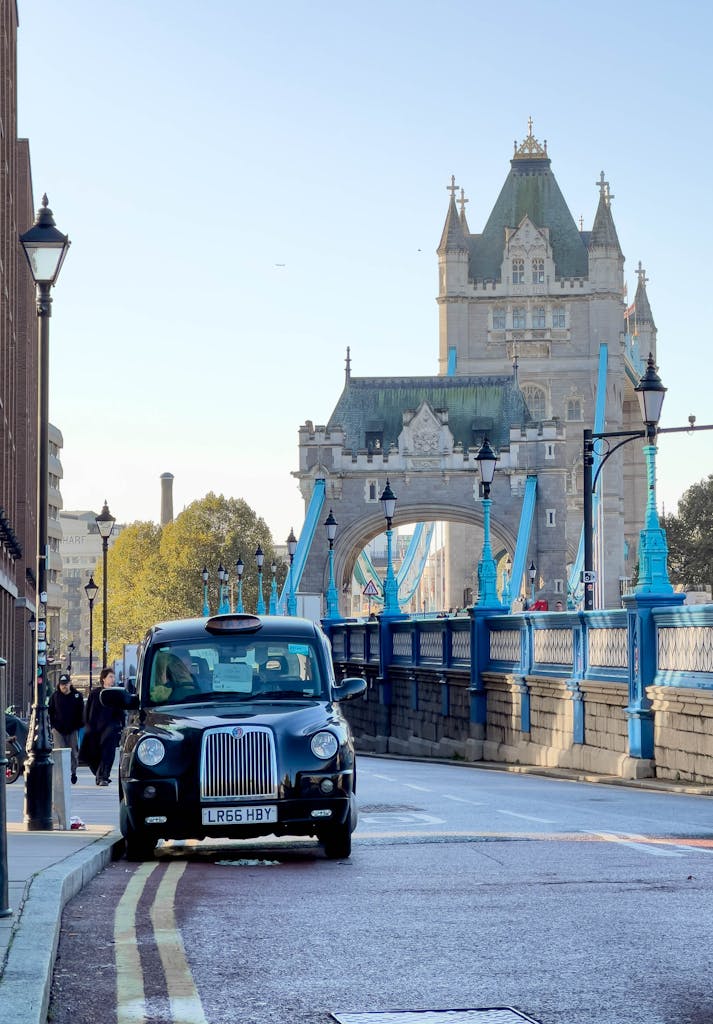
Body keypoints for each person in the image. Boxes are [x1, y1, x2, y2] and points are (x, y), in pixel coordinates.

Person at [82, 667, 123, 786]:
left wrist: (121, 726)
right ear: (103, 679)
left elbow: (120, 711)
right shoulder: (95, 693)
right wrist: (87, 725)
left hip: (111, 728)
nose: (112, 679)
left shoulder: (115, 694)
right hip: (95, 729)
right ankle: (100, 774)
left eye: (113, 677)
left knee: (108, 753)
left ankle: (103, 777)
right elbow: (88, 710)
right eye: (110, 677)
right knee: (95, 754)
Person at [48, 672, 84, 784]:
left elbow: (81, 712)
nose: (64, 686)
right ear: (59, 685)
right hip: (58, 730)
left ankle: (73, 772)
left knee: (73, 752)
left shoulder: (77, 696)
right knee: (59, 752)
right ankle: (61, 774)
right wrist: (53, 726)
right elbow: (50, 712)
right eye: (62, 684)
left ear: (70, 683)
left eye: (66, 683)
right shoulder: (55, 697)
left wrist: (78, 725)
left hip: (72, 729)